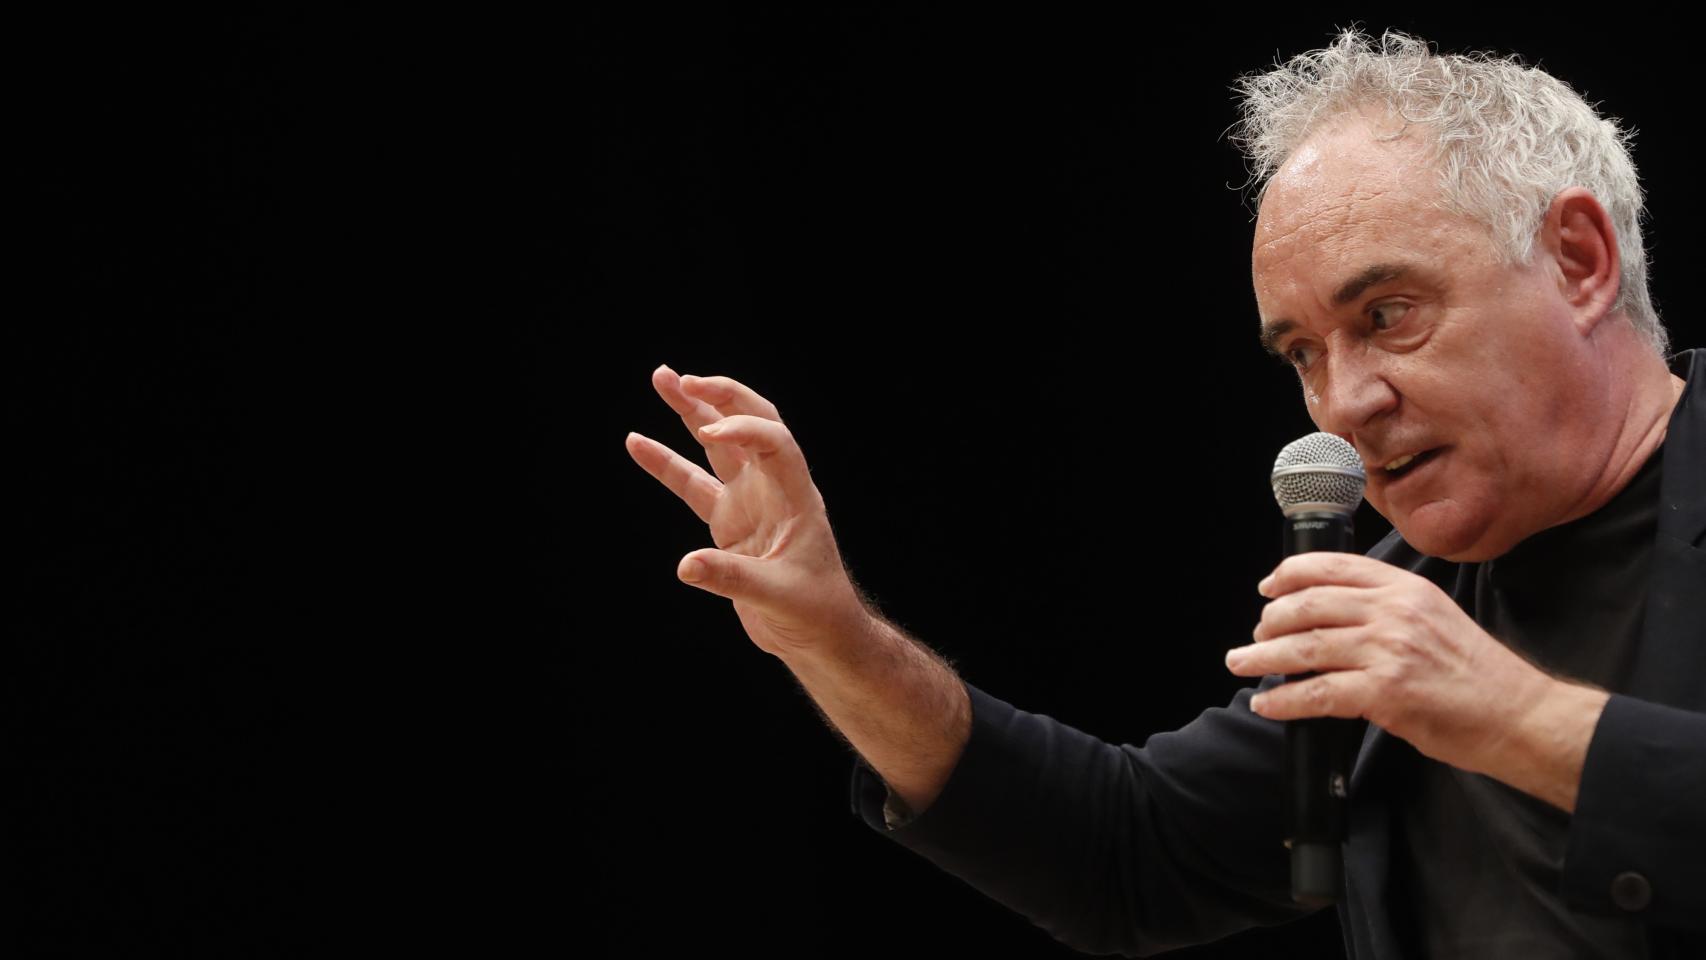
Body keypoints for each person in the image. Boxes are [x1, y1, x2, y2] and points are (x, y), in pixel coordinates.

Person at [624, 29, 1704, 958]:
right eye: (1301, 354)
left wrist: (1509, 715)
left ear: (1577, 262)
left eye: (1386, 315)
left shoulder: (1414, 638)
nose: (1342, 403)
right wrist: (834, 637)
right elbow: (1124, 855)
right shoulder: (1401, 598)